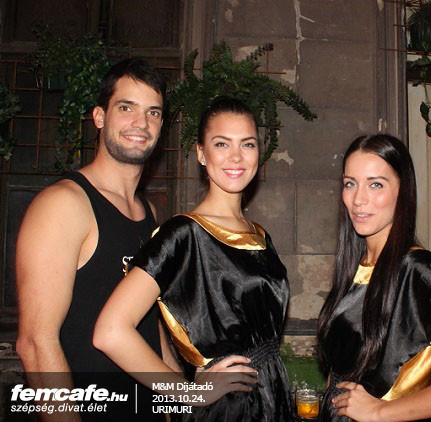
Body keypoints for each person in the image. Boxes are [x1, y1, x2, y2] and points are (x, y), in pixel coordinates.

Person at [93, 97, 294, 421]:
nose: (236, 156)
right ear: (201, 153)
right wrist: (188, 392)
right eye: (221, 144)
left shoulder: (259, 235)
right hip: (229, 408)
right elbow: (110, 331)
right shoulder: (182, 235)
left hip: (273, 396)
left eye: (247, 144)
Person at [15, 58, 170, 421]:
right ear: (99, 117)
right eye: (126, 108)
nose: (141, 123)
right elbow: (35, 344)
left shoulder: (149, 212)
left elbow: (152, 325)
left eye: (153, 112)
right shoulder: (64, 204)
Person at [317, 134, 431, 422]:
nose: (358, 199)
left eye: (376, 184)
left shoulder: (418, 269)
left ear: (403, 191)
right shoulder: (356, 267)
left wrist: (379, 411)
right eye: (350, 184)